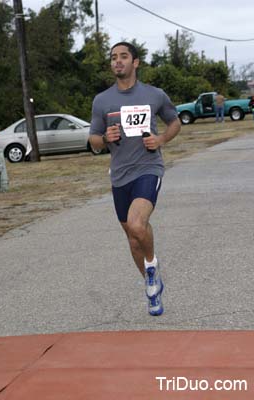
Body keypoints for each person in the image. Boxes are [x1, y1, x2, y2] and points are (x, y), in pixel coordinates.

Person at [89, 42, 181, 316]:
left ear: (135, 62)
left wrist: (161, 138)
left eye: (123, 56)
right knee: (132, 238)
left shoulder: (154, 95)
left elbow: (174, 122)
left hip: (148, 167)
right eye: (114, 57)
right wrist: (105, 139)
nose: (117, 61)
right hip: (119, 176)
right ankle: (152, 285)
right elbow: (93, 140)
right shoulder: (102, 100)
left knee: (137, 224)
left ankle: (151, 265)